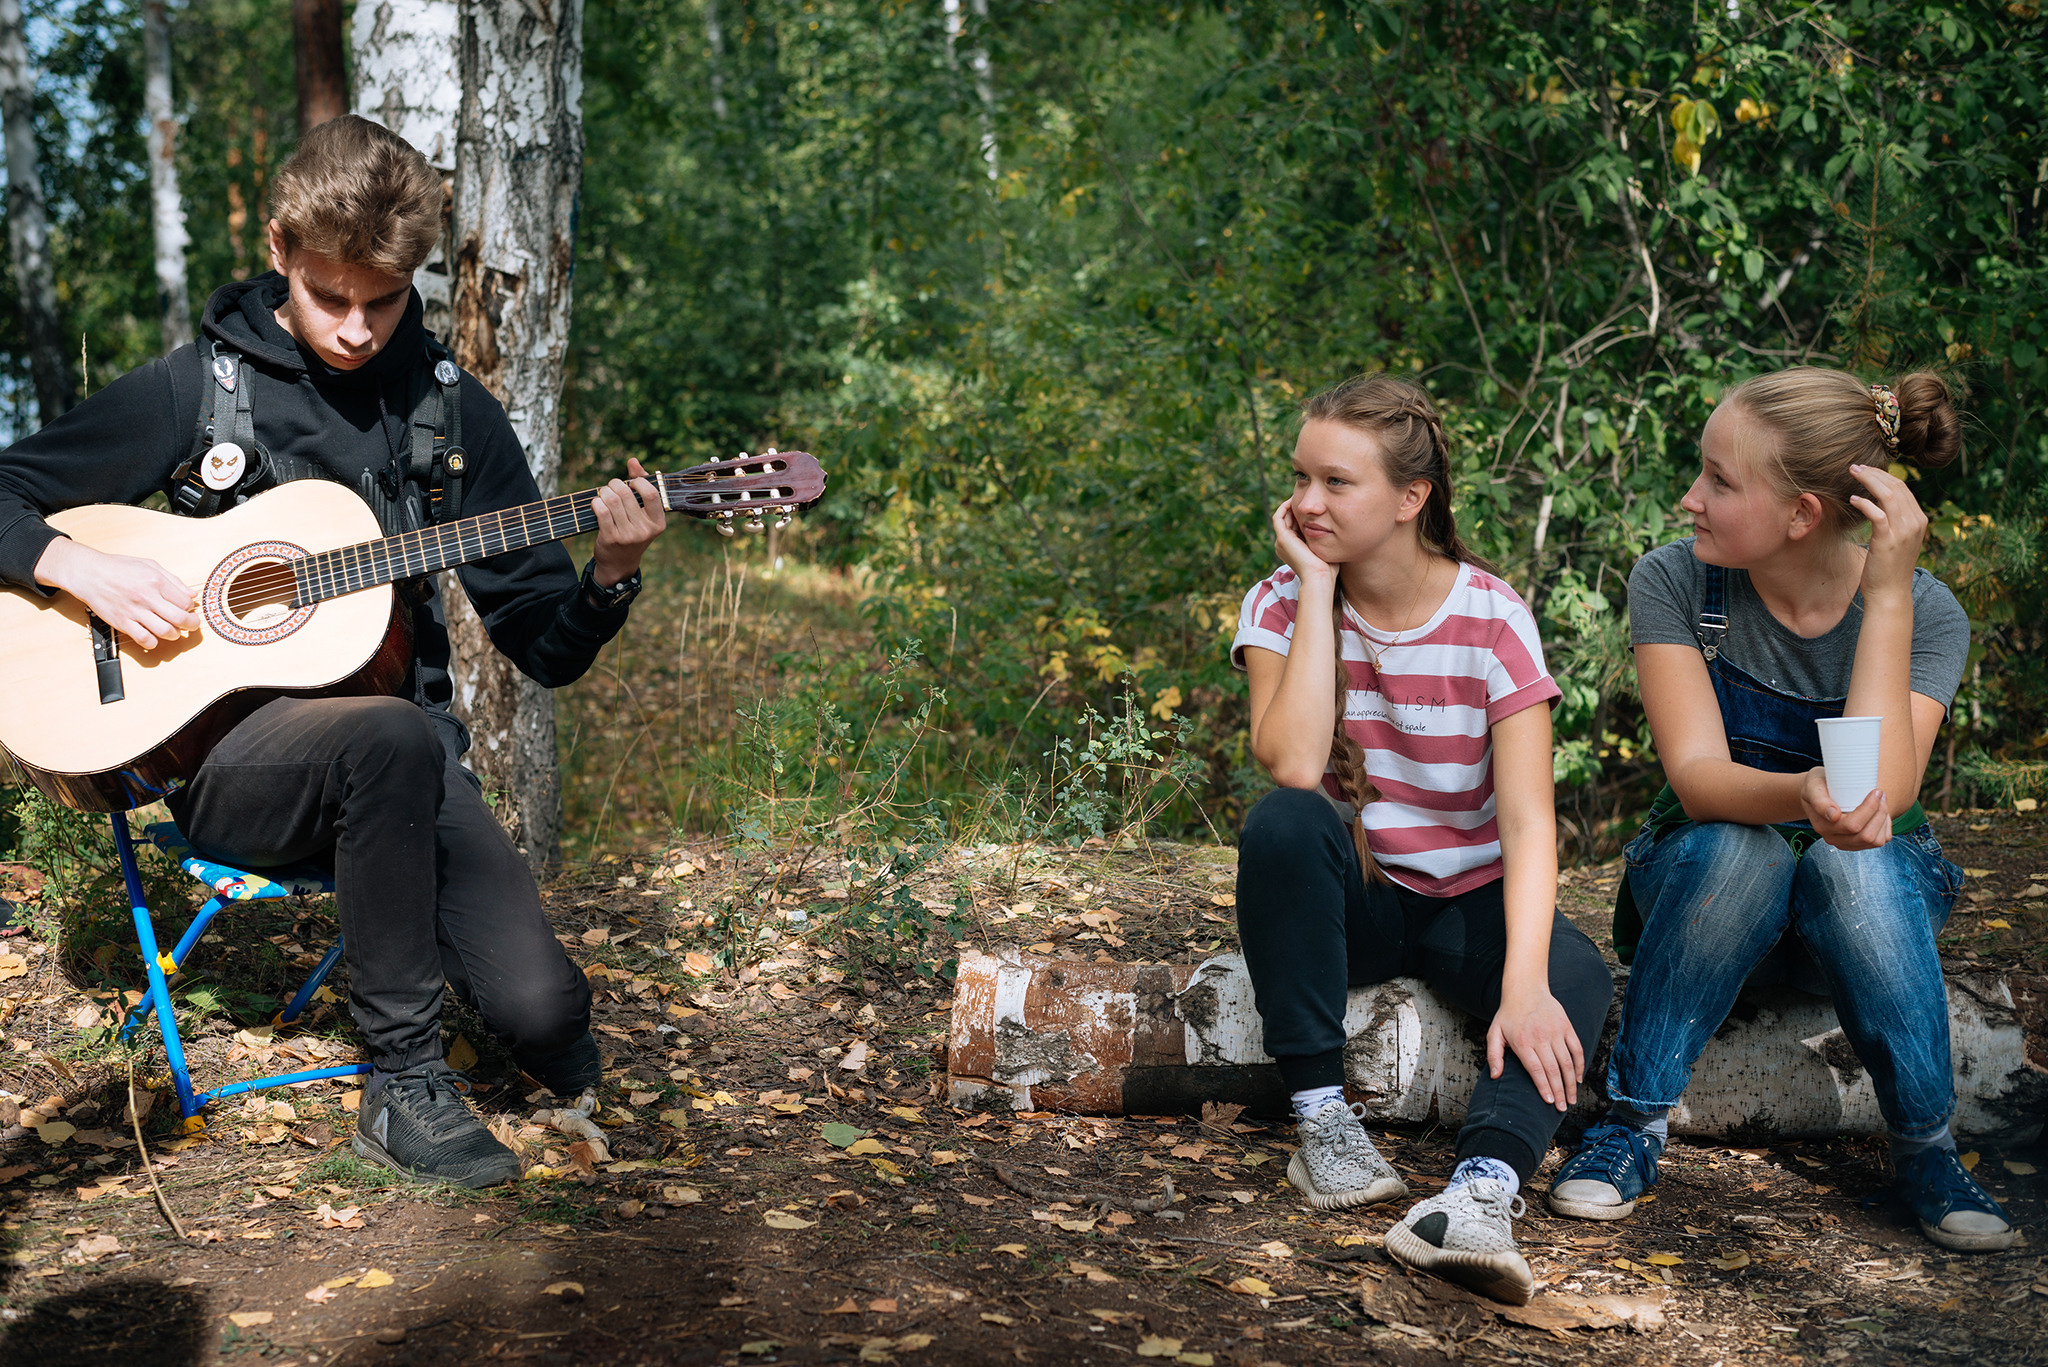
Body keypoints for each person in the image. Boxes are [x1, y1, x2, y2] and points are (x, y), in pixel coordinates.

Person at [0, 115, 668, 1188]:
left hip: (400, 767)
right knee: (393, 737)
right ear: (277, 252)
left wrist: (609, 575)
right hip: (227, 766)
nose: (357, 328)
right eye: (328, 296)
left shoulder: (447, 413)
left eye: (384, 301)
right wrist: (74, 564)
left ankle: (486, 1016)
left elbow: (542, 646)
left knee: (547, 1015)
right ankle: (401, 1086)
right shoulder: (198, 387)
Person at [1546, 368, 2012, 1252]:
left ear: (1801, 514)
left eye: (1720, 481)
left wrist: (1885, 594)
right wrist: (1799, 794)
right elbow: (1696, 778)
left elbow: (1889, 793)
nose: (1690, 498)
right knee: (1745, 848)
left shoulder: (1926, 610)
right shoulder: (1678, 584)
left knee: (1853, 858)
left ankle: (1926, 1148)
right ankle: (1630, 1127)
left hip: (1860, 912)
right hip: (1711, 900)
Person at [1230, 374, 1613, 1305]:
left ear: (1413, 499)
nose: (1305, 503)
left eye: (1336, 483)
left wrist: (1522, 983)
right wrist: (1318, 592)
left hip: (1467, 903)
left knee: (1577, 976)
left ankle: (1477, 1196)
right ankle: (1322, 1126)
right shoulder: (1281, 604)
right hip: (1358, 902)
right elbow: (1289, 761)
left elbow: (1527, 822)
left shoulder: (1490, 616)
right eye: (1300, 478)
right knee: (1284, 820)